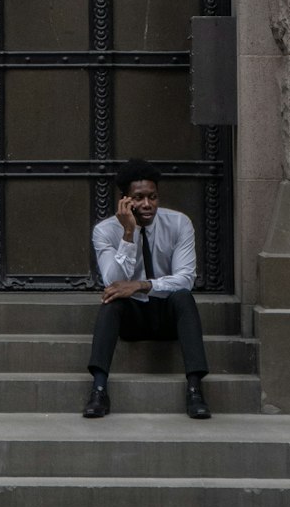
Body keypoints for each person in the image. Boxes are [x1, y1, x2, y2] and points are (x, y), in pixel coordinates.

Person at [83, 158, 211, 420]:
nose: (147, 204)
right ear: (125, 200)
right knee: (112, 301)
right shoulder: (105, 232)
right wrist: (128, 233)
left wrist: (142, 285)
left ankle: (195, 389)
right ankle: (98, 389)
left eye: (152, 197)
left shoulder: (179, 224)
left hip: (168, 316)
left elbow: (185, 279)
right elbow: (113, 282)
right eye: (139, 197)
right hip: (133, 319)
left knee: (184, 298)